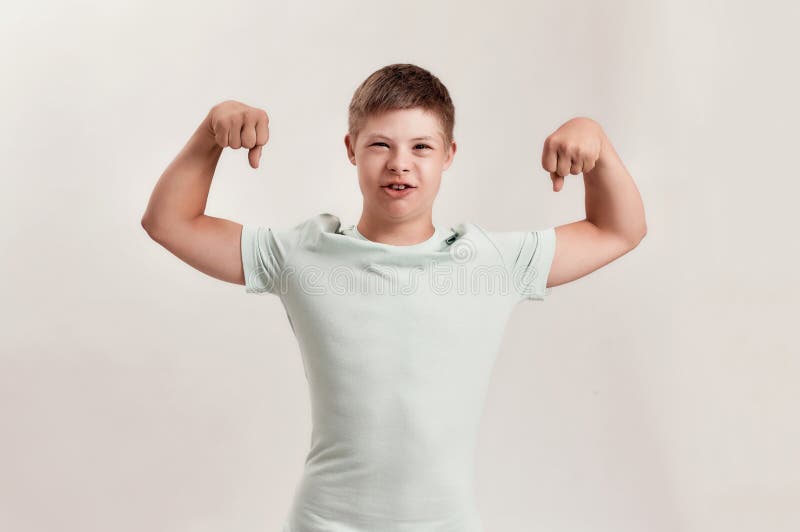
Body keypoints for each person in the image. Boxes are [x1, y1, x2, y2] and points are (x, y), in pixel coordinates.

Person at [141, 63, 646, 532]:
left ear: (449, 155)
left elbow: (617, 230)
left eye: (421, 147)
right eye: (380, 145)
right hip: (324, 522)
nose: (399, 164)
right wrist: (211, 133)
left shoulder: (490, 263)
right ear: (351, 148)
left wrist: (594, 138)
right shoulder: (304, 253)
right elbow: (169, 223)